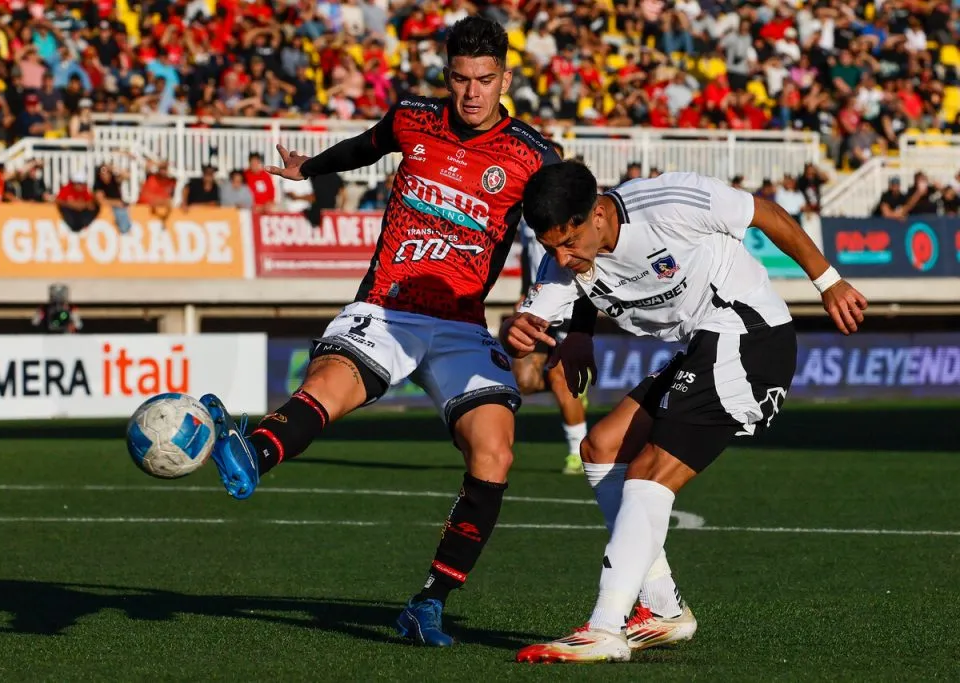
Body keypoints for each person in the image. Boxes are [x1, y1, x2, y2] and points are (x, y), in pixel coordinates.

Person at [196, 16, 560, 647]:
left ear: (505, 78)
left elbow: (560, 238)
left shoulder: (532, 155)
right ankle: (253, 453)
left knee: (495, 454)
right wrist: (309, 168)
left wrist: (549, 314)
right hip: (387, 308)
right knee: (327, 390)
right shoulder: (414, 118)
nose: (472, 93)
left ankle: (429, 603)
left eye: (484, 79)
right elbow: (363, 147)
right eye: (460, 79)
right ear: (446, 75)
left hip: (461, 325)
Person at [502, 161, 867, 663]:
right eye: (551, 248)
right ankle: (663, 608)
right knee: (601, 448)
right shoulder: (563, 260)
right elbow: (530, 321)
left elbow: (765, 213)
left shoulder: (670, 202)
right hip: (701, 347)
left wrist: (828, 282)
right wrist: (534, 333)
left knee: (649, 473)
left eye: (569, 243)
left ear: (598, 215)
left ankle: (605, 627)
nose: (563, 258)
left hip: (750, 335)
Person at [511, 143, 592, 475]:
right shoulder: (527, 210)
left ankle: (578, 452)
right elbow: (531, 258)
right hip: (539, 300)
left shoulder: (574, 206)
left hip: (568, 300)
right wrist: (524, 292)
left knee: (558, 377)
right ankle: (575, 389)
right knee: (525, 381)